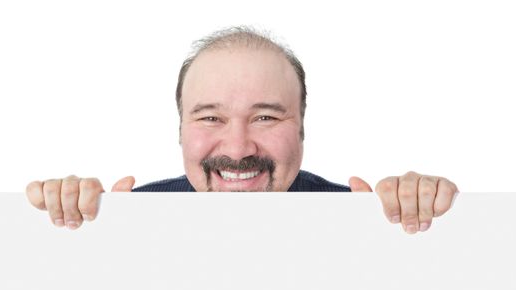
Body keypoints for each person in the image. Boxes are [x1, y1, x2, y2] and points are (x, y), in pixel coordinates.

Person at [25, 26, 459, 234]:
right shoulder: (127, 219)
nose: (237, 147)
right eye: (211, 117)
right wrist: (65, 230)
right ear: (181, 130)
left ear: (302, 128)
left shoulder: (365, 218)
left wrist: (422, 217)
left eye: (266, 117)